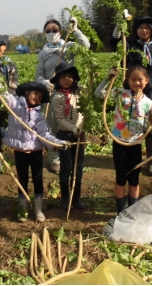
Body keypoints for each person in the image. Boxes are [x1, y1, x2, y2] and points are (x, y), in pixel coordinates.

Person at [111, 16, 152, 177]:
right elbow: (115, 45)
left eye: (147, 27)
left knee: (151, 126)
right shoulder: (129, 46)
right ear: (136, 30)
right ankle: (130, 153)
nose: (144, 30)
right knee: (132, 121)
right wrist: (118, 26)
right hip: (132, 91)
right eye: (141, 27)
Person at [2, 81, 67, 222]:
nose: (36, 98)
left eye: (40, 97)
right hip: (20, 151)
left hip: (36, 152)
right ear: (27, 92)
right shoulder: (15, 105)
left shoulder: (39, 115)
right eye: (35, 94)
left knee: (38, 180)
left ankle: (38, 210)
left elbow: (44, 134)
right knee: (22, 180)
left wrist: (58, 143)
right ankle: (23, 208)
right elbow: (3, 96)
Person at [97, 64, 152, 213]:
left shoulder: (148, 102)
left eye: (140, 79)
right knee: (121, 177)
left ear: (147, 81)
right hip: (119, 142)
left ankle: (133, 210)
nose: (137, 83)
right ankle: (121, 211)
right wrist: (108, 78)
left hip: (135, 143)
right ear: (128, 80)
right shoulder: (120, 93)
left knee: (134, 178)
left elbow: (150, 127)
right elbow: (99, 93)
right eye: (133, 79)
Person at [36, 18, 90, 173]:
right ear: (44, 33)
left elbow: (86, 46)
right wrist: (45, 82)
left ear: (60, 32)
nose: (52, 33)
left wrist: (76, 30)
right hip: (52, 93)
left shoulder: (68, 46)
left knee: (72, 122)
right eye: (48, 31)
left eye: (55, 30)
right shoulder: (43, 53)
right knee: (52, 126)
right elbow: (39, 75)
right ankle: (54, 158)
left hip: (70, 92)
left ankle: (71, 153)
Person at [51, 62, 87, 211]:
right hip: (65, 135)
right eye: (63, 76)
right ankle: (65, 198)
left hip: (79, 136)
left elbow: (95, 93)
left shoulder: (80, 92)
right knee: (66, 168)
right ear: (58, 80)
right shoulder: (57, 97)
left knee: (78, 168)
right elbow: (60, 119)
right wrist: (74, 128)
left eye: (70, 76)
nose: (67, 79)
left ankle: (76, 197)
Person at [0, 34, 19, 174]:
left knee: (1, 129)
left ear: (4, 47)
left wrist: (6, 96)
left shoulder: (10, 64)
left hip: (4, 102)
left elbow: (13, 85)